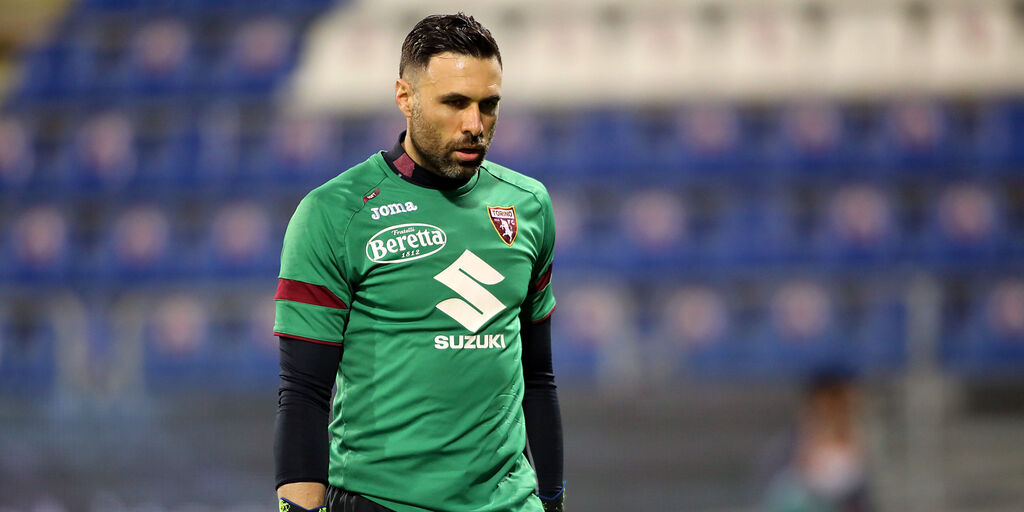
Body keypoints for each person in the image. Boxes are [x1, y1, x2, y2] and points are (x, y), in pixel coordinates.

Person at [273, 13, 564, 512]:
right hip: (379, 502)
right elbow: (303, 392)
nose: (475, 125)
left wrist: (553, 500)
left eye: (488, 105)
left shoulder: (528, 205)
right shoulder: (333, 213)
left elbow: (537, 376)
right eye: (454, 103)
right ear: (405, 98)